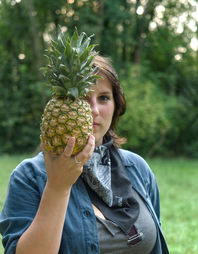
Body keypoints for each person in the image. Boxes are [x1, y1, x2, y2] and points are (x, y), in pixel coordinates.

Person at [0, 55, 169, 254]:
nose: (94, 110)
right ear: (62, 108)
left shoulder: (137, 168)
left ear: (116, 105)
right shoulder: (29, 176)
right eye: (81, 98)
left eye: (104, 98)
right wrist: (57, 187)